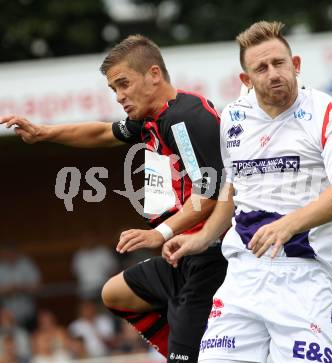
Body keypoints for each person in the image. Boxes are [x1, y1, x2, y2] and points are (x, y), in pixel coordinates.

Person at [0, 34, 227, 363]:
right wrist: (45, 133)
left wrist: (158, 233)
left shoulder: (183, 121)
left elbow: (209, 194)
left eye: (124, 84)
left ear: (153, 74)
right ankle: (189, 348)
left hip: (211, 257)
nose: (119, 97)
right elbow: (103, 132)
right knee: (116, 293)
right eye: (113, 89)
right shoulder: (152, 119)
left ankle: (192, 350)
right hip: (183, 255)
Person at [163, 20, 332, 363]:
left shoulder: (328, 111)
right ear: (246, 79)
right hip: (243, 276)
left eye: (280, 63)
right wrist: (204, 237)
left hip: (305, 277)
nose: (274, 74)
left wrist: (288, 224)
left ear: (296, 64)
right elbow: (233, 186)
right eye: (261, 67)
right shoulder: (233, 118)